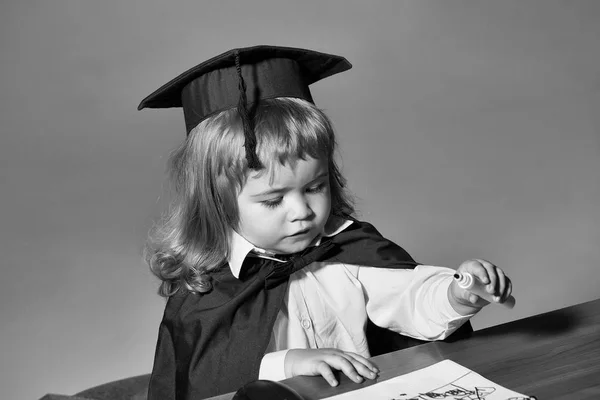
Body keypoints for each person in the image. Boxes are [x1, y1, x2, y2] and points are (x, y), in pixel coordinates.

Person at [138, 45, 513, 400]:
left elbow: (408, 298)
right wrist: (288, 363)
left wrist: (456, 294)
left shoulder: (349, 251)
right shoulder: (205, 292)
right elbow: (201, 379)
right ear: (217, 203)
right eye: (273, 200)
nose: (302, 211)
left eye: (315, 187)